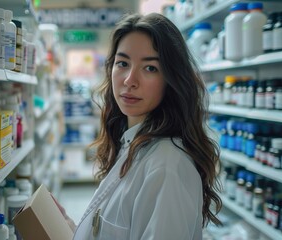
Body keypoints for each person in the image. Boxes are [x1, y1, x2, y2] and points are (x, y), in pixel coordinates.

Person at [58, 12, 222, 239]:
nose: (129, 80)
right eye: (123, 63)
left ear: (171, 80)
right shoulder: (130, 142)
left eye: (150, 68)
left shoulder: (167, 167)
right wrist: (71, 231)